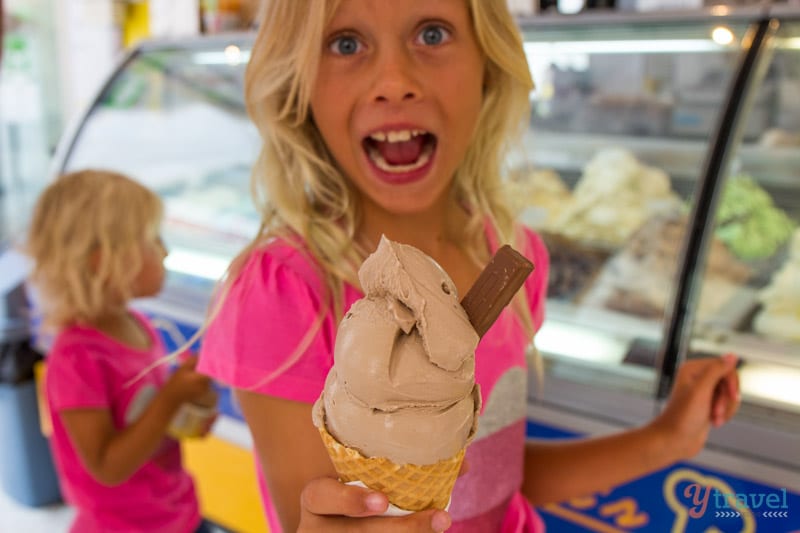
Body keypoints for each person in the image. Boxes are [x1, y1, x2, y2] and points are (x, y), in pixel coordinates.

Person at [197, 1, 741, 532]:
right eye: (346, 44)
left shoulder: (507, 256)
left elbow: (493, 481)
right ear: (299, 86)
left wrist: (669, 437)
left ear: (488, 61)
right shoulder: (281, 292)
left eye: (431, 34)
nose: (394, 80)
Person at [24, 169, 217, 533]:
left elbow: (152, 424)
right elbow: (107, 467)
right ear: (102, 260)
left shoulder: (140, 325)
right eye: (152, 238)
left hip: (178, 513)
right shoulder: (76, 358)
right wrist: (170, 399)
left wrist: (193, 406)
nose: (166, 250)